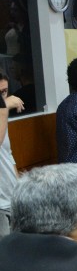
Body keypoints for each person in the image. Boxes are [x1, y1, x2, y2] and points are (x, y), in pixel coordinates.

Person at [0, 71, 22, 237]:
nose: (3, 97)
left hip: (12, 198)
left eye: (4, 92)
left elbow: (8, 153)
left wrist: (19, 186)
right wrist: (4, 106)